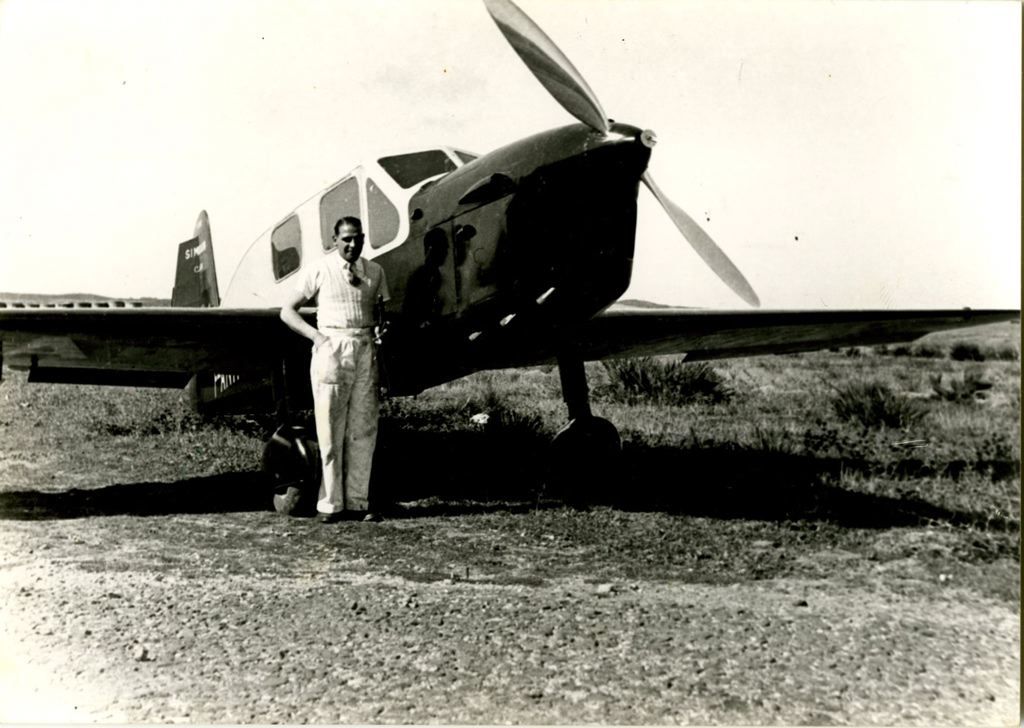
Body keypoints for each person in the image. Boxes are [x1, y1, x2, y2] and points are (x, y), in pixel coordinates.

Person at [279, 216, 389, 523]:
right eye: (346, 239)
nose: (353, 244)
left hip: (366, 349)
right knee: (330, 430)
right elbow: (287, 311)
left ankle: (358, 502)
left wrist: (381, 330)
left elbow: (382, 311)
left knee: (363, 429)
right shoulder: (319, 270)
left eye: (358, 239)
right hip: (332, 348)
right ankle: (329, 505)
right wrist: (316, 337)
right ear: (334, 240)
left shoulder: (375, 272)